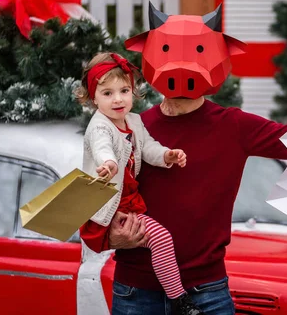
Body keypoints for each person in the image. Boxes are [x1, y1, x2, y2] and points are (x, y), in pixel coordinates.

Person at [81, 4, 287, 315]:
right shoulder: (133, 129)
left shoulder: (233, 126)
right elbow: (92, 196)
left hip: (206, 292)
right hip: (137, 291)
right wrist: (109, 237)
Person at [76, 52, 206, 315]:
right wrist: (109, 164)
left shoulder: (133, 121)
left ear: (133, 91)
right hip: (109, 205)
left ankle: (177, 297)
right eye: (107, 93)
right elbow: (102, 147)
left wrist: (167, 155)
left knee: (159, 239)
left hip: (128, 200)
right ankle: (179, 299)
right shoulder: (100, 126)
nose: (118, 99)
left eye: (124, 90)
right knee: (161, 238)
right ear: (93, 98)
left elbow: (148, 148)